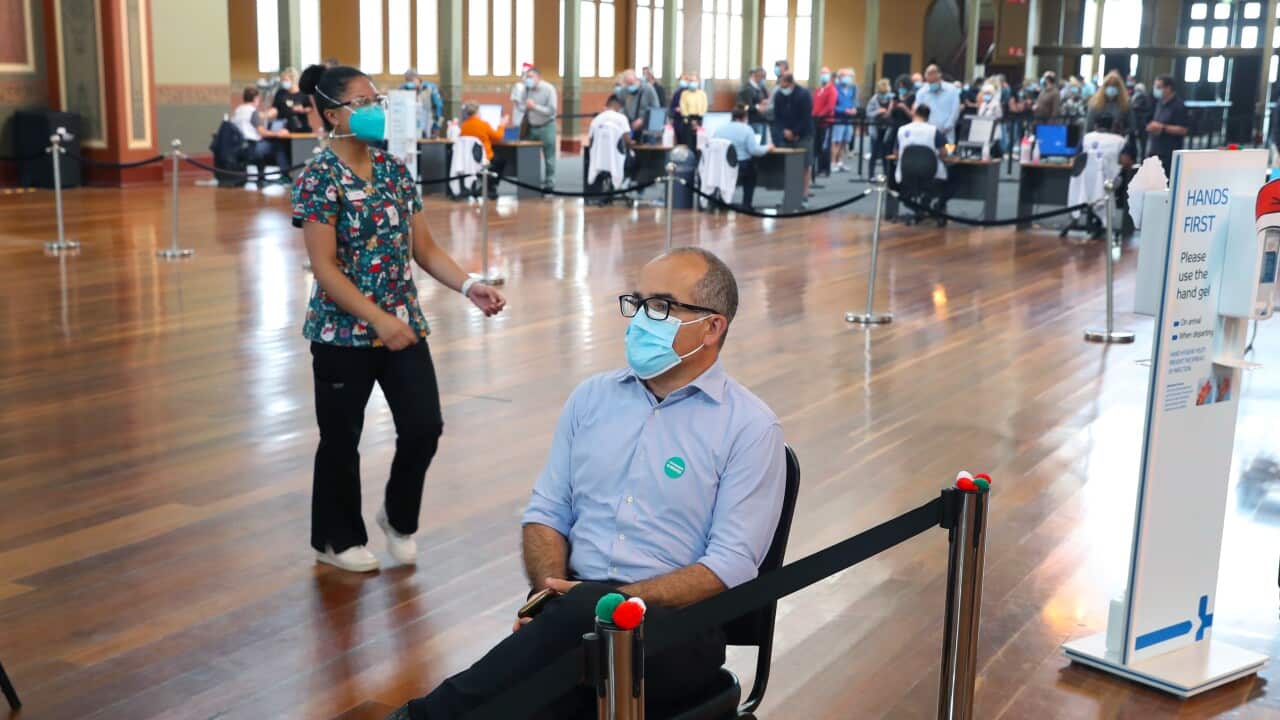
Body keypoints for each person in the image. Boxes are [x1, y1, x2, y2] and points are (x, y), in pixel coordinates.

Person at [387, 247, 785, 720]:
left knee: (579, 625)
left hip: (676, 632)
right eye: (636, 303)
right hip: (569, 617)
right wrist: (548, 596)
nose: (639, 319)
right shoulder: (592, 399)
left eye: (659, 307)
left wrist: (612, 601)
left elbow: (732, 565)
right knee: (552, 670)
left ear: (712, 327)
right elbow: (546, 513)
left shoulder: (750, 428)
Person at [291, 64, 507, 573]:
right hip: (341, 333)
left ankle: (397, 515)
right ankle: (335, 539)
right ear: (330, 114)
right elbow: (324, 267)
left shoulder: (393, 170)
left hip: (403, 323)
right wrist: (375, 320)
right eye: (361, 102)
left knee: (424, 426)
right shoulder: (319, 178)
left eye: (376, 100)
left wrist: (469, 285)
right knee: (341, 438)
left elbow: (424, 249)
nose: (373, 110)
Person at [895, 104, 950, 222]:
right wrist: (952, 149)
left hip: (906, 174)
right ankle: (931, 205)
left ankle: (919, 209)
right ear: (928, 117)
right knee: (953, 180)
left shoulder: (902, 130)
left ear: (914, 113)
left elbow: (896, 153)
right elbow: (945, 151)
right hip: (931, 174)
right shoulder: (934, 130)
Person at [231, 86, 292, 186]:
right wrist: (278, 133)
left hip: (239, 147)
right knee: (278, 146)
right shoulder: (252, 111)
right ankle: (285, 176)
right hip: (252, 147)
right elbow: (262, 132)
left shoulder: (238, 110)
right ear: (256, 98)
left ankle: (262, 176)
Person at [714, 106, 774, 207]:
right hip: (741, 166)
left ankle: (720, 202)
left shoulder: (719, 130)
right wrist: (768, 148)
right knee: (751, 176)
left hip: (722, 166)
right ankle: (746, 205)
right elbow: (754, 150)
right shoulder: (747, 130)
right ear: (744, 118)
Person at [771, 72, 814, 198]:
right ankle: (790, 195)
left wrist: (795, 132)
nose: (782, 89)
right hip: (786, 134)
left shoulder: (804, 94)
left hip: (804, 134)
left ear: (791, 84)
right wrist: (784, 131)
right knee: (789, 166)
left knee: (805, 166)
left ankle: (804, 194)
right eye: (780, 86)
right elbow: (777, 117)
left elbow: (805, 117)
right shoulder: (779, 95)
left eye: (784, 86)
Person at [515, 67, 558, 191]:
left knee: (549, 156)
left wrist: (535, 107)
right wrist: (520, 105)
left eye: (531, 77)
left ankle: (550, 182)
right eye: (526, 77)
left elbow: (551, 111)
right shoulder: (526, 89)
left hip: (546, 126)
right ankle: (530, 181)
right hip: (531, 126)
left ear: (538, 78)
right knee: (528, 155)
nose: (528, 79)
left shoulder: (549, 89)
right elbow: (523, 106)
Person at [459, 102, 511, 199]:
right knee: (501, 161)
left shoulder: (464, 126)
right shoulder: (483, 124)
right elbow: (498, 137)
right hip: (484, 159)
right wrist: (502, 125)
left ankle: (485, 186)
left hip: (469, 160)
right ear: (478, 112)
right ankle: (490, 187)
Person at [1146, 74, 1189, 175]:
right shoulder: (1159, 103)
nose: (1156, 90)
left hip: (1169, 153)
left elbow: (1183, 129)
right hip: (1155, 150)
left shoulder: (1179, 106)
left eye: (1159, 87)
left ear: (1168, 88)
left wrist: (1162, 128)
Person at [913, 64, 961, 142]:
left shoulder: (952, 90)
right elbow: (918, 112)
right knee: (929, 153)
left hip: (947, 132)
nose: (932, 84)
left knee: (948, 153)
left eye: (934, 81)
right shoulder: (921, 92)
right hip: (927, 133)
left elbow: (955, 111)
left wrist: (947, 127)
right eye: (930, 82)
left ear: (939, 76)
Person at [829, 68, 859, 172]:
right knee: (836, 141)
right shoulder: (834, 88)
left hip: (848, 120)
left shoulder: (851, 89)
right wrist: (843, 110)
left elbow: (854, 101)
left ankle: (840, 162)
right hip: (838, 119)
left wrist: (854, 109)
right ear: (839, 77)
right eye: (844, 76)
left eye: (849, 76)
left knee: (844, 142)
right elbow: (832, 106)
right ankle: (833, 162)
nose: (847, 78)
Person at [866, 78, 895, 179]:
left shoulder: (892, 99)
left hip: (888, 129)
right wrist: (877, 111)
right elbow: (868, 113)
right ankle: (871, 175)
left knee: (886, 154)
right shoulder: (874, 99)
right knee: (874, 153)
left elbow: (895, 113)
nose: (884, 94)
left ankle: (887, 175)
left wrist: (889, 112)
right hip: (876, 128)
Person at [811, 66, 837, 178]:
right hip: (815, 121)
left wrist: (820, 115)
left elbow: (830, 106)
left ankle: (824, 169)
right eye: (822, 73)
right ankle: (817, 168)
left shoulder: (832, 90)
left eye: (825, 73)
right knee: (817, 145)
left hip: (825, 121)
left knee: (824, 146)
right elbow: (813, 104)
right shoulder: (818, 90)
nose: (823, 75)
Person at [404, 69, 444, 138]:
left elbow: (439, 107)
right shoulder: (406, 88)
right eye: (407, 81)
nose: (409, 83)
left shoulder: (431, 88)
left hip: (429, 125)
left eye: (411, 80)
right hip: (412, 127)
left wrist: (437, 127)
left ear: (417, 78)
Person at [272, 67, 313, 133]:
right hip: (282, 128)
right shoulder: (280, 93)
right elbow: (274, 108)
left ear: (293, 80)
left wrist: (302, 110)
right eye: (282, 80)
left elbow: (310, 108)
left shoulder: (303, 93)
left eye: (285, 80)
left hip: (300, 127)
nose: (283, 82)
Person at [738, 67, 770, 139]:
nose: (763, 80)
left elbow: (766, 98)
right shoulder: (746, 89)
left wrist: (765, 102)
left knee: (763, 144)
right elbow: (745, 107)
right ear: (756, 76)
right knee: (757, 142)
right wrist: (758, 107)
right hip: (754, 120)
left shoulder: (761, 87)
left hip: (763, 119)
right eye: (762, 77)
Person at [678, 73, 709, 144]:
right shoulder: (684, 94)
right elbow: (683, 107)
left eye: (694, 81)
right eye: (691, 81)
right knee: (688, 142)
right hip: (687, 120)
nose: (692, 83)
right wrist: (690, 119)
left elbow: (704, 107)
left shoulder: (702, 94)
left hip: (698, 120)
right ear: (688, 83)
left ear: (698, 82)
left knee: (698, 143)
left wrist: (697, 120)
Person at [976, 82, 1003, 155]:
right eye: (985, 93)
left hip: (993, 129)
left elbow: (999, 116)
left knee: (992, 148)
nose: (986, 95)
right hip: (983, 128)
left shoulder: (996, 104)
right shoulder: (983, 104)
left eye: (988, 93)